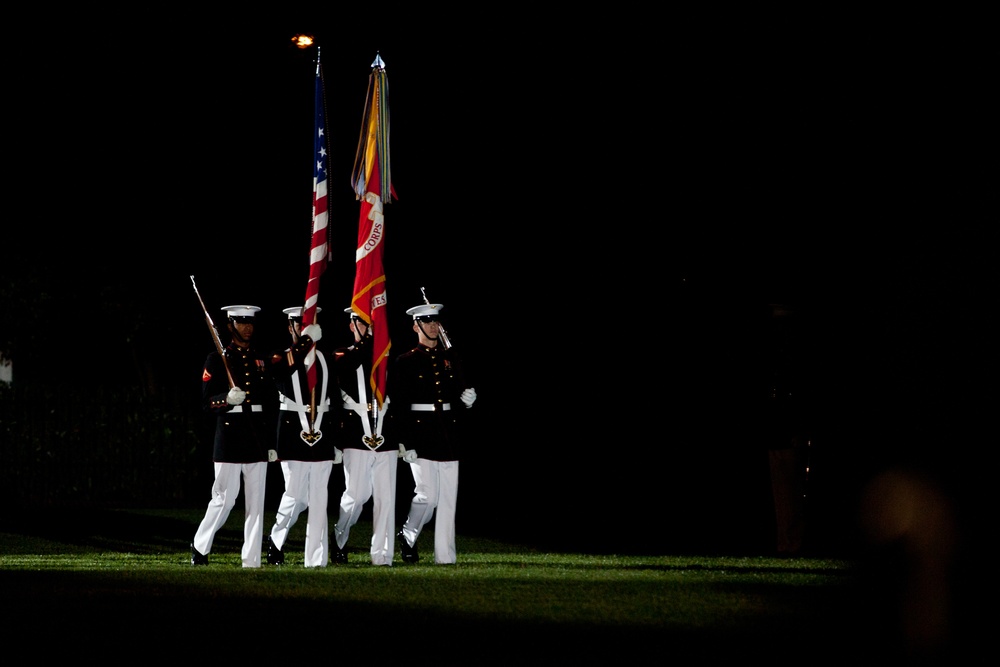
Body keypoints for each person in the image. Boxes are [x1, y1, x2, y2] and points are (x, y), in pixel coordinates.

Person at [192, 305, 278, 568]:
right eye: (241, 323)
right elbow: (206, 403)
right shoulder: (217, 358)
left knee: (256, 504)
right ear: (230, 326)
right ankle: (200, 545)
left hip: (256, 438)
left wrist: (272, 443)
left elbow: (270, 402)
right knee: (224, 499)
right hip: (229, 437)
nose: (247, 327)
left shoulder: (259, 359)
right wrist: (226, 400)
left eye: (250, 323)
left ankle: (251, 559)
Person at [394, 302, 476, 565]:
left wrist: (468, 400)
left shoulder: (450, 359)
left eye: (435, 321)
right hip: (421, 433)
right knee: (427, 496)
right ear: (415, 326)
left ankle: (446, 556)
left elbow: (454, 394)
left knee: (449, 498)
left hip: (448, 433)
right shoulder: (405, 361)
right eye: (427, 321)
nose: (432, 325)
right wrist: (405, 441)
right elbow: (399, 404)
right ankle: (408, 534)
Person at [264, 307, 342, 568]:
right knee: (295, 495)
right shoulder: (280, 356)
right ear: (291, 327)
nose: (305, 328)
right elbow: (279, 374)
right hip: (291, 434)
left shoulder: (325, 358)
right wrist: (306, 342)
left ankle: (316, 557)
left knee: (319, 497)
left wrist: (337, 441)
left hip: (322, 433)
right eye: (300, 325)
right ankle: (275, 540)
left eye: (310, 324)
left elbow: (334, 399)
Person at [331, 307, 397, 565]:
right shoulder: (342, 354)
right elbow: (347, 367)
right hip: (355, 431)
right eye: (364, 324)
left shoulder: (387, 357)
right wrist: (369, 342)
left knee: (386, 498)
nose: (369, 329)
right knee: (357, 494)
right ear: (352, 326)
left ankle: (382, 555)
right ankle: (339, 537)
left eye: (373, 324)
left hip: (386, 430)